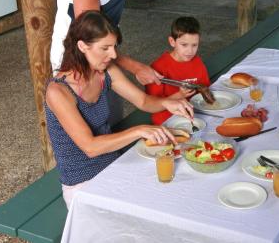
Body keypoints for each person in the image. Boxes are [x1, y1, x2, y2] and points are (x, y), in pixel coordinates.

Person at [45, 11, 194, 208]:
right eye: (105, 48)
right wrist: (139, 130)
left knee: (177, 188)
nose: (114, 55)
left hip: (113, 165)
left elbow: (142, 101)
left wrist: (168, 103)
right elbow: (90, 147)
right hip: (83, 183)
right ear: (82, 46)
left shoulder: (104, 72)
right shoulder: (58, 91)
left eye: (114, 47)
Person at [145, 16, 210, 124]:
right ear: (172, 41)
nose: (190, 51)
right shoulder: (158, 67)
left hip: (195, 115)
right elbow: (152, 104)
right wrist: (180, 95)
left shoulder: (197, 61)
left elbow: (205, 88)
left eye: (194, 45)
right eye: (184, 45)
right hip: (168, 120)